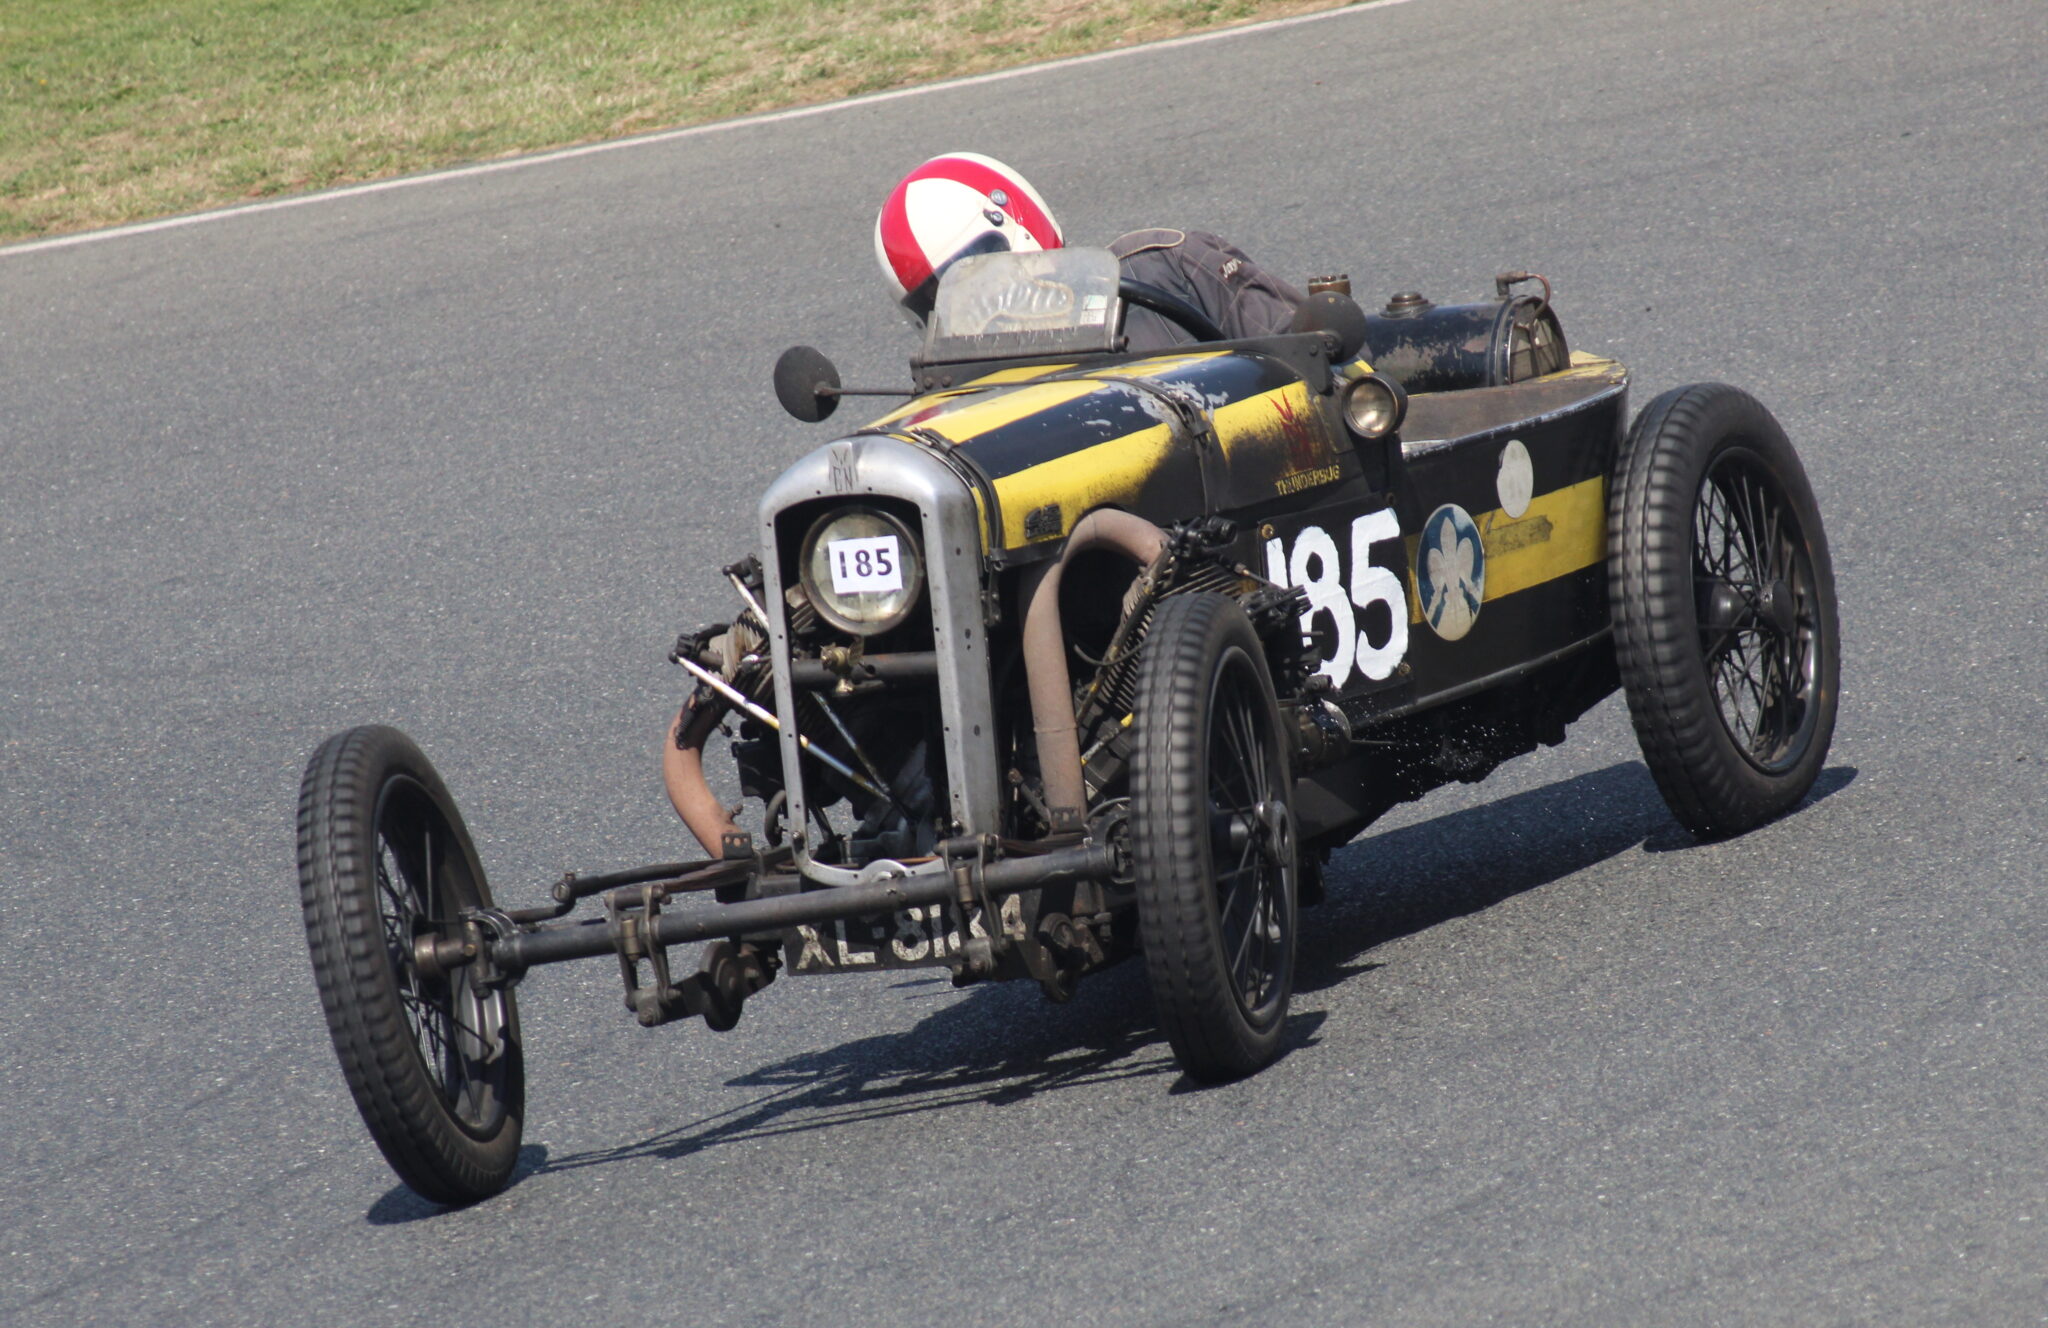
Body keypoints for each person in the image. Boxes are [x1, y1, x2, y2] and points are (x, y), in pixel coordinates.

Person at [873, 152, 1303, 352]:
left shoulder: (1169, 266)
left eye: (978, 272)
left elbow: (1321, 356)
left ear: (1017, 228)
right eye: (940, 298)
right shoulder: (956, 406)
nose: (979, 302)